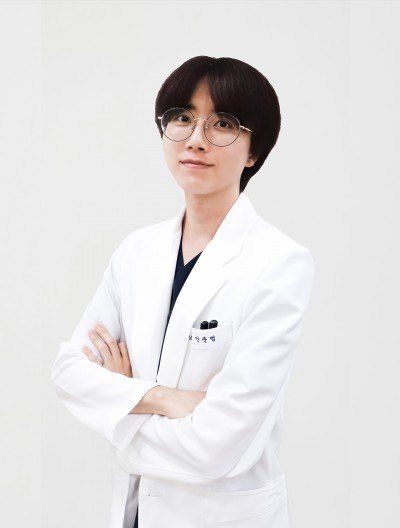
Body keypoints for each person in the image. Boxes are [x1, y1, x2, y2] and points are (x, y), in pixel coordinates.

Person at [52, 55, 315, 528]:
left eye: (223, 123)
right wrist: (163, 398)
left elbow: (217, 447)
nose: (196, 139)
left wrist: (118, 405)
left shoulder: (279, 263)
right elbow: (69, 372)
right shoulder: (137, 251)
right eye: (182, 118)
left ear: (254, 152)